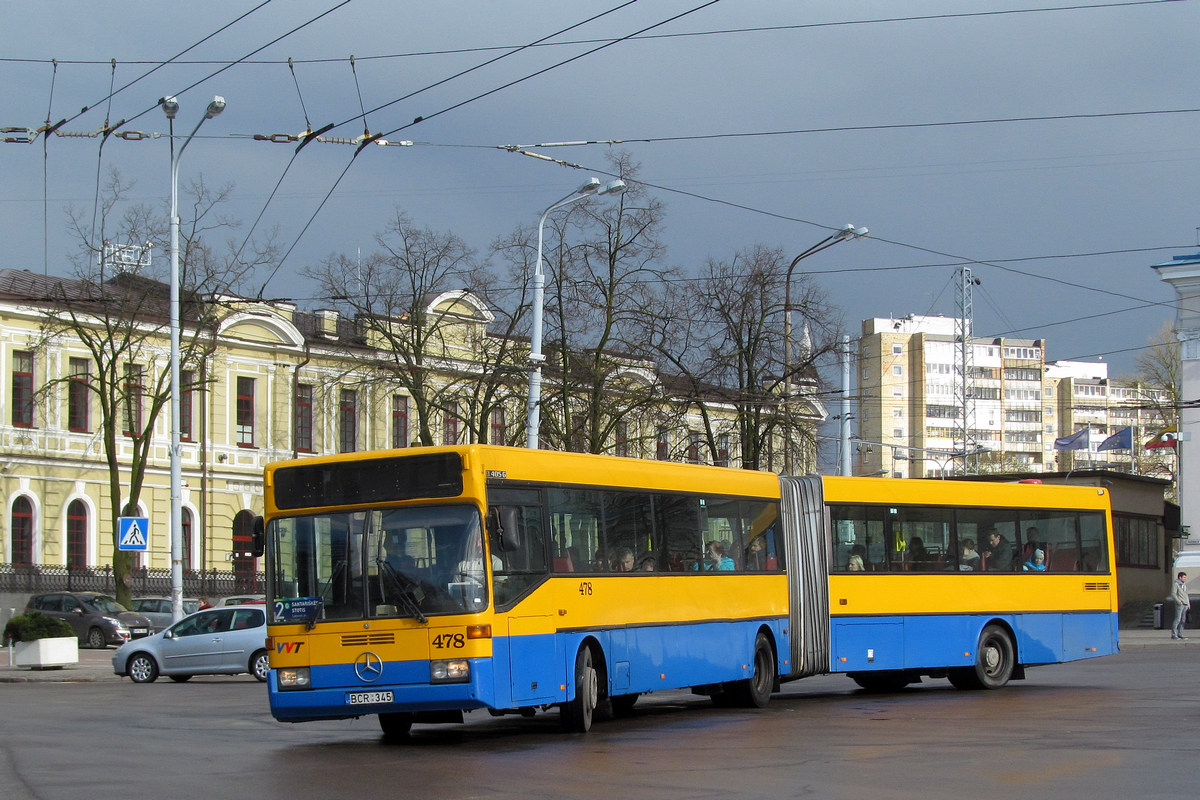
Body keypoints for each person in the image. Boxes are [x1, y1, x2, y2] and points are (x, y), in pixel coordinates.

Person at [1170, 571, 1190, 641]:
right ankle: (1174, 634)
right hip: (1180, 604)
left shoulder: (1184, 585)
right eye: (1184, 577)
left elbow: (1186, 595)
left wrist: (1188, 603)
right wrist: (1179, 602)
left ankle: (1180, 634)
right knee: (1177, 619)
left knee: (1183, 620)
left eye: (1185, 577)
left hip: (1185, 604)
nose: (1185, 579)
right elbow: (1173, 594)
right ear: (1180, 577)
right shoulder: (1176, 584)